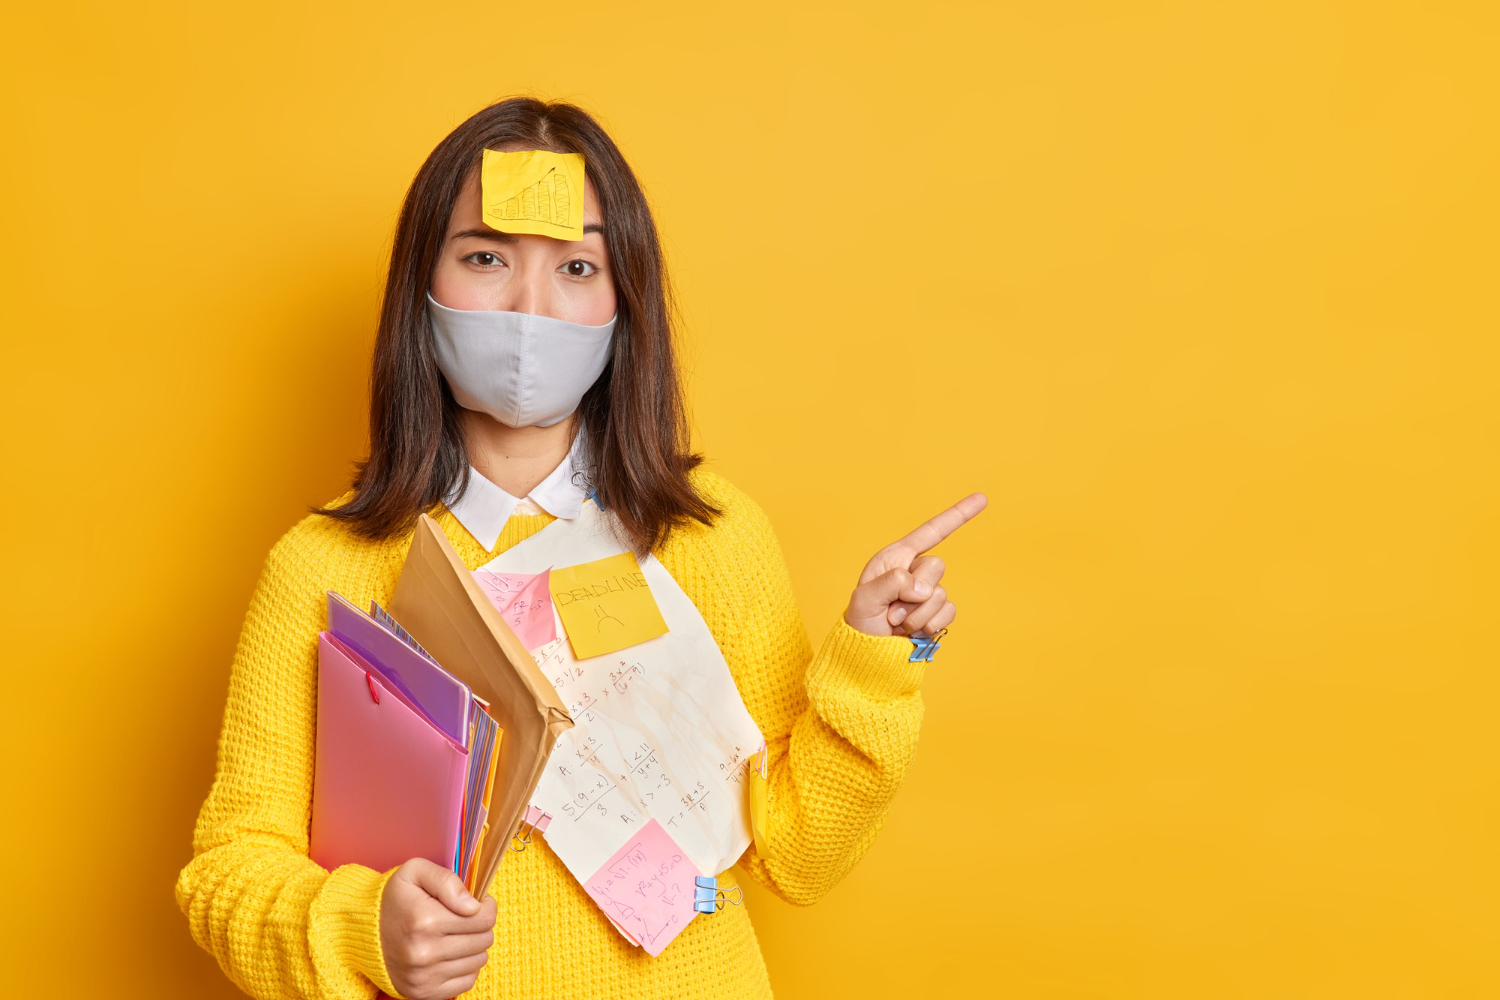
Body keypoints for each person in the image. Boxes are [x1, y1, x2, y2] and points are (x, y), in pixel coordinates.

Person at [175, 96, 986, 1000]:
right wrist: (365, 928)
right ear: (422, 286)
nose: (530, 309)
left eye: (576, 265)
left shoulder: (709, 538)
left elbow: (798, 855)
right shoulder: (326, 565)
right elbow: (229, 870)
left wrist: (876, 660)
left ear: (623, 300)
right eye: (486, 257)